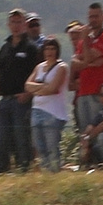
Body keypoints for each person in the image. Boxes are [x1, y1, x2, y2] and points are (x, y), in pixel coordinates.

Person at [0, 10, 38, 172]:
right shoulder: (4, 48)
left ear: (24, 24)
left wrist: (29, 94)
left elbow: (38, 74)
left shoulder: (31, 48)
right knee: (1, 139)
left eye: (19, 22)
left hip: (21, 101)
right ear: (8, 24)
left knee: (21, 137)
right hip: (4, 100)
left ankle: (24, 169)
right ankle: (0, 171)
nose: (16, 26)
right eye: (13, 22)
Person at [73, 3, 103, 137]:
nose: (93, 20)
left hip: (99, 92)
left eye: (96, 16)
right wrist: (90, 62)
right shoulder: (84, 40)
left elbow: (86, 57)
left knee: (98, 132)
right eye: (90, 17)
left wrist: (86, 58)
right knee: (84, 132)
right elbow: (75, 63)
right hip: (83, 92)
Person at [25, 37, 70, 172]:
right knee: (40, 148)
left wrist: (37, 89)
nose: (49, 51)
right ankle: (46, 174)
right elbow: (27, 85)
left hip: (53, 113)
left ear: (57, 50)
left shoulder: (61, 67)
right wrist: (44, 87)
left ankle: (55, 173)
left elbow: (53, 88)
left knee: (52, 148)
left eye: (53, 48)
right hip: (37, 110)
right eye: (47, 48)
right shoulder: (39, 67)